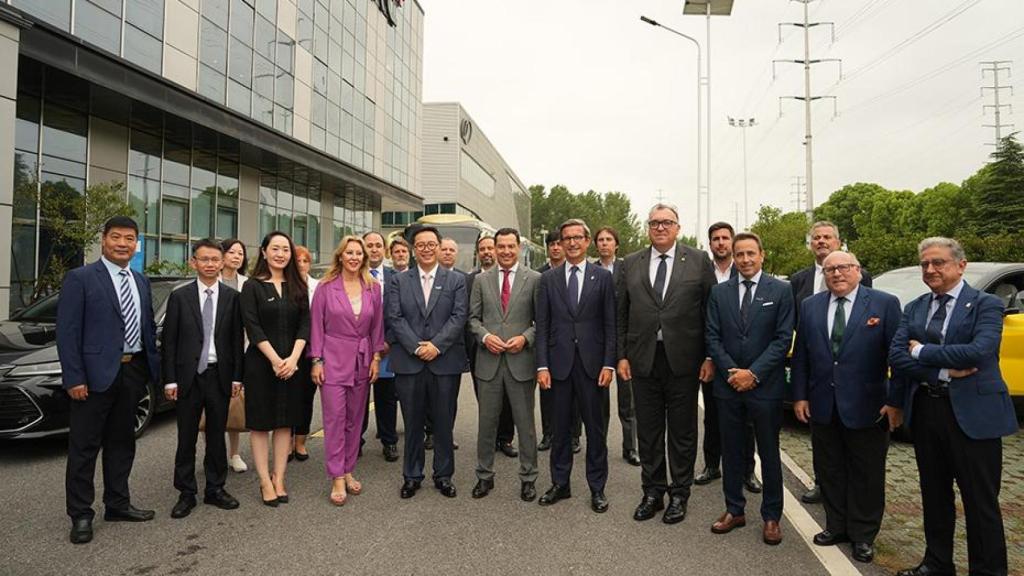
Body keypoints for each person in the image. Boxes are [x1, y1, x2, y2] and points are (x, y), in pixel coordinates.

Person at [889, 237, 1018, 576]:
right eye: (925, 264)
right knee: (934, 496)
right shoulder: (915, 307)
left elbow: (979, 351)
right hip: (929, 409)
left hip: (974, 415)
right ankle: (937, 563)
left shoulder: (986, 304)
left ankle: (988, 570)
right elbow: (897, 356)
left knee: (980, 502)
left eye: (938, 263)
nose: (930, 269)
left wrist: (921, 352)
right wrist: (941, 368)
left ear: (960, 265)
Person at [791, 250, 904, 564]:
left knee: (867, 474)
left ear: (858, 270)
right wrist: (799, 396)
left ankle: (863, 535)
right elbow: (802, 355)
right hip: (823, 405)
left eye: (843, 268)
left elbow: (898, 358)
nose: (836, 274)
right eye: (829, 270)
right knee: (830, 470)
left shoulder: (884, 304)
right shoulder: (810, 306)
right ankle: (836, 526)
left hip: (869, 407)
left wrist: (895, 400)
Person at [57, 216, 161, 544]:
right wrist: (74, 377)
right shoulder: (81, 278)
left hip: (132, 373)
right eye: (116, 237)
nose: (122, 243)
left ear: (136, 244)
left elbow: (147, 330)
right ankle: (81, 515)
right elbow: (68, 332)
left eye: (129, 238)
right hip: (93, 376)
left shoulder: (141, 281)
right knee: (85, 447)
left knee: (122, 443)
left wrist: (152, 373)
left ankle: (117, 503)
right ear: (103, 240)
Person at [616, 205, 716, 525]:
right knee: (648, 431)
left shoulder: (699, 261)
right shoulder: (630, 263)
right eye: (655, 223)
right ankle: (653, 492)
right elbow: (621, 314)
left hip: (684, 361)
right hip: (643, 360)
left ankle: (679, 493)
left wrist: (710, 356)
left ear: (678, 227)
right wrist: (621, 355)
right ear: (648, 228)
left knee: (683, 432)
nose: (660, 228)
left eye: (667, 222)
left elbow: (711, 313)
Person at [705, 232, 794, 546]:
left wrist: (753, 373)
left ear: (762, 255)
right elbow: (712, 337)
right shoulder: (719, 293)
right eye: (739, 254)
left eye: (750, 254)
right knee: (731, 451)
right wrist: (733, 372)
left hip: (764, 386)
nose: (744, 259)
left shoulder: (781, 291)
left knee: (769, 453)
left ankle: (771, 516)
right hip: (728, 386)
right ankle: (734, 509)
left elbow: (783, 339)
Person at [535, 219, 616, 514]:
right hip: (558, 366)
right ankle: (560, 483)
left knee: (596, 430)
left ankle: (597, 488)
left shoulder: (602, 277)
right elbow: (542, 326)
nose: (571, 243)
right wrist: (541, 365)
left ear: (587, 242)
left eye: (577, 238)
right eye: (566, 238)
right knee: (559, 430)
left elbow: (610, 324)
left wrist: (609, 363)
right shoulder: (548, 280)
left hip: (594, 367)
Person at [789, 221, 873, 504]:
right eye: (816, 238)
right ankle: (822, 483)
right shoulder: (799, 279)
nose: (821, 241)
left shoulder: (862, 276)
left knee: (851, 441)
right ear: (810, 243)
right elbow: (795, 327)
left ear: (838, 242)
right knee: (821, 435)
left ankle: (848, 490)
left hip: (850, 370)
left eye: (827, 237)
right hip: (815, 366)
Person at [163, 239, 244, 519]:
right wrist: (169, 380)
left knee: (216, 436)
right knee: (186, 436)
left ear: (222, 263)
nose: (209, 264)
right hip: (188, 377)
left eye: (214, 259)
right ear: (193, 262)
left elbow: (236, 340)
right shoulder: (179, 296)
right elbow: (170, 342)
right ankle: (186, 492)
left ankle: (215, 488)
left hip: (219, 375)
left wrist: (237, 377)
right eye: (203, 259)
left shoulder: (233, 298)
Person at [387, 226, 468, 499]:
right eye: (420, 245)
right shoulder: (399, 280)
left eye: (431, 244)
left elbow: (459, 317)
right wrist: (415, 347)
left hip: (444, 362)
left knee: (444, 422)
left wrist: (436, 346)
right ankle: (412, 475)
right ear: (413, 249)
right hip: (409, 363)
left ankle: (443, 475)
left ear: (439, 246)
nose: (426, 248)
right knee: (412, 423)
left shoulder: (455, 280)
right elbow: (394, 318)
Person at [309, 236, 386, 506]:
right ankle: (336, 476)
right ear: (340, 256)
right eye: (349, 252)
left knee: (355, 419)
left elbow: (377, 327)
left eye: (358, 253)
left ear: (364, 258)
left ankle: (349, 467)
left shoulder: (373, 288)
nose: (354, 257)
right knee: (334, 420)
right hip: (332, 360)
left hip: (362, 360)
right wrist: (316, 360)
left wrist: (376, 357)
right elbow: (316, 325)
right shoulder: (325, 287)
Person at [468, 228, 542, 502]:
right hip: (488, 363)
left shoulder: (535, 279)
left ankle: (529, 477)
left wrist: (525, 338)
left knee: (525, 425)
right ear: (494, 248)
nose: (506, 251)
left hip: (521, 362)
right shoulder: (481, 280)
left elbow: (541, 322)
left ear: (519, 248)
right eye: (501, 246)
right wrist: (485, 337)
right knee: (486, 424)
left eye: (512, 246)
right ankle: (484, 476)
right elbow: (472, 319)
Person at [240, 231, 310, 507]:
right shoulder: (252, 287)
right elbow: (252, 326)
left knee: (284, 423)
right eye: (275, 249)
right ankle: (264, 481)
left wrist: (293, 359)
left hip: (293, 366)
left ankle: (279, 477)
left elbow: (306, 324)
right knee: (260, 425)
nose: (281, 254)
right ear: (264, 251)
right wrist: (274, 359)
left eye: (286, 249)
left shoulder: (298, 286)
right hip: (260, 364)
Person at [696, 223, 759, 494]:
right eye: (715, 239)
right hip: (711, 358)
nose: (720, 243)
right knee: (712, 415)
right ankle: (712, 465)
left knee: (748, 419)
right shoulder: (701, 273)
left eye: (725, 238)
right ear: (709, 244)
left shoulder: (744, 270)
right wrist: (709, 357)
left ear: (732, 243)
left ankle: (747, 470)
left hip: (745, 360)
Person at [467, 236, 517, 458]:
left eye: (490, 248)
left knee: (508, 397)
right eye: (483, 249)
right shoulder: (470, 280)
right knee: (486, 397)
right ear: (478, 253)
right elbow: (470, 316)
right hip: (481, 347)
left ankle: (505, 438)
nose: (487, 252)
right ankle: (489, 437)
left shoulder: (517, 278)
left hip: (511, 348)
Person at [594, 226, 639, 467]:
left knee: (627, 400)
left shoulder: (627, 268)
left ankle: (630, 448)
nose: (604, 243)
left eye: (609, 239)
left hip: (623, 340)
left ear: (616, 244)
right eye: (600, 240)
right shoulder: (591, 270)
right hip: (598, 342)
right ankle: (598, 445)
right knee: (599, 400)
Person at [537, 230, 582, 454]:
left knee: (575, 397)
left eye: (558, 243)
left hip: (576, 345)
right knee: (547, 394)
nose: (555, 247)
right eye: (551, 244)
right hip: (552, 344)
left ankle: (575, 435)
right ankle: (548, 433)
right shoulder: (540, 275)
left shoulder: (577, 273)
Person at [361, 231, 400, 462]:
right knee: (359, 398)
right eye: (369, 245)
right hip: (359, 349)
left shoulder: (396, 277)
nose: (373, 249)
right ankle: (356, 441)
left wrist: (390, 340)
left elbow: (402, 312)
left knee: (387, 398)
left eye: (378, 245)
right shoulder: (352, 275)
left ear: (384, 250)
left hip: (388, 348)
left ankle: (389, 441)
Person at [220, 238, 249, 473]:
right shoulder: (209, 281)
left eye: (240, 253)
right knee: (211, 409)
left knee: (235, 405)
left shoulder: (247, 284)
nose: (237, 257)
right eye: (232, 252)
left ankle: (235, 453)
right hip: (213, 353)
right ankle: (215, 453)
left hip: (242, 351)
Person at [291, 245, 319, 463]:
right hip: (285, 350)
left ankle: (300, 441)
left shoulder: (317, 287)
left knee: (305, 397)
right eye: (297, 260)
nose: (301, 264)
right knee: (285, 398)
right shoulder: (283, 285)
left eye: (305, 261)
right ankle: (285, 440)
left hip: (310, 349)